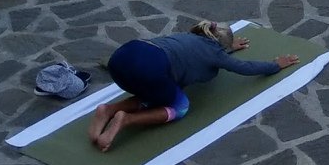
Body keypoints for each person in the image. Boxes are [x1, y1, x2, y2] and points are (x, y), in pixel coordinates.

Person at [91, 20, 298, 152]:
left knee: (153, 90)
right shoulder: (216, 54)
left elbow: (200, 52)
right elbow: (245, 67)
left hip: (122, 60)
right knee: (179, 106)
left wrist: (225, 49)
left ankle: (108, 109)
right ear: (221, 47)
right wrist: (275, 65)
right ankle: (126, 119)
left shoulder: (188, 36)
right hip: (150, 72)